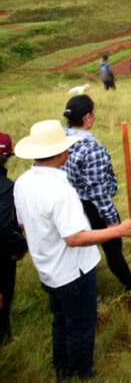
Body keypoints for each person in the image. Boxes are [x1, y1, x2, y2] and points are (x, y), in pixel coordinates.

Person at [13, 120, 131, 379]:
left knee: (60, 322)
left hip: (47, 269)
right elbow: (75, 238)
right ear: (61, 153)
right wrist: (121, 230)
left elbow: (22, 223)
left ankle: (63, 370)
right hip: (73, 272)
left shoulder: (22, 182)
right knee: (81, 326)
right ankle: (83, 373)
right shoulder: (60, 190)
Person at [62, 95, 131, 292]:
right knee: (113, 249)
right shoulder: (91, 149)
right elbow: (97, 191)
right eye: (93, 113)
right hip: (93, 207)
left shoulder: (61, 139)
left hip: (73, 202)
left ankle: (88, 290)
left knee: (83, 249)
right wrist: (113, 221)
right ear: (87, 117)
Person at [0, 131, 27, 346]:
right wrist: (19, 247)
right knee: (3, 294)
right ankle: (4, 338)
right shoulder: (7, 188)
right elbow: (5, 227)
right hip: (2, 254)